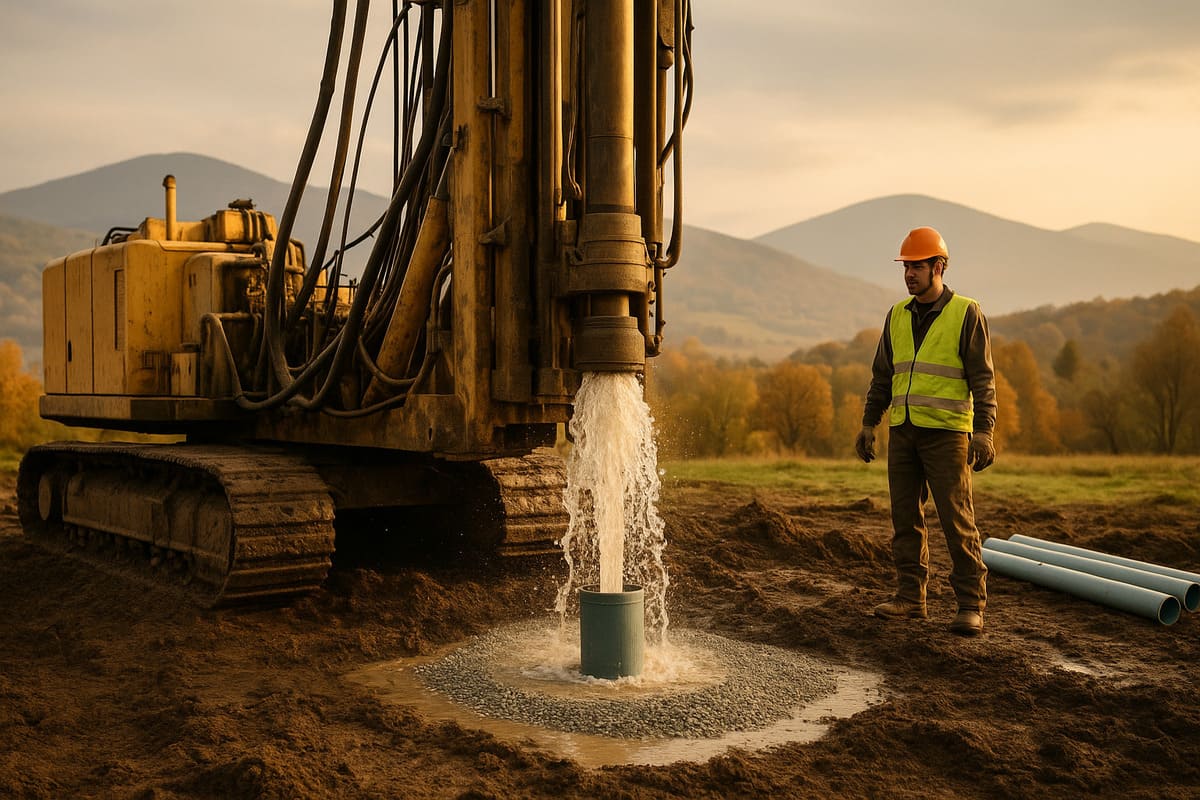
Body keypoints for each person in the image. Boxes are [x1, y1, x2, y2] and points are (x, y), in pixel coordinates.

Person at [854, 226, 996, 637]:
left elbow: (984, 380)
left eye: (916, 266)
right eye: (906, 266)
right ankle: (910, 598)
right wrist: (869, 422)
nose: (909, 273)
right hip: (904, 431)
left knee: (957, 520)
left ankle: (970, 604)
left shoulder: (966, 313)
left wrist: (984, 431)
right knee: (905, 519)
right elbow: (882, 376)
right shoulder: (896, 316)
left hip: (948, 434)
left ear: (938, 266)